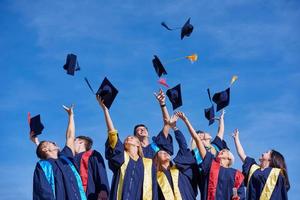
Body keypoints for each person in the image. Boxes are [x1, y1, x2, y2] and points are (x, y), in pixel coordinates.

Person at [97, 96, 158, 200]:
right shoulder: (121, 157)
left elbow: (153, 190)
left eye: (131, 138)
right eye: (126, 139)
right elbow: (112, 134)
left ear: (138, 144)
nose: (128, 139)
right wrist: (105, 110)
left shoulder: (148, 164)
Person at [179, 111, 245, 200]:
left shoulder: (236, 174)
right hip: (205, 179)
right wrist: (186, 121)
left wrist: (221, 120)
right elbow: (197, 140)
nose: (222, 151)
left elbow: (220, 133)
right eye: (201, 135)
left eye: (225, 151)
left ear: (229, 158)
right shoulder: (206, 159)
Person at [31, 105, 87, 200]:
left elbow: (70, 137)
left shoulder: (65, 158)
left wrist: (71, 116)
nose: (55, 142)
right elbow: (42, 192)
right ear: (45, 149)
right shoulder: (43, 166)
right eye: (51, 143)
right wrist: (37, 142)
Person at [232, 129, 290, 200]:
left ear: (271, 159)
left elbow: (281, 195)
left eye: (267, 152)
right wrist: (236, 139)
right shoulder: (253, 168)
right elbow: (242, 155)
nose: (263, 153)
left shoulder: (277, 174)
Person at [155, 112, 198, 200]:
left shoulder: (180, 169)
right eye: (162, 152)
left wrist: (174, 128)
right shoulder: (155, 177)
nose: (166, 153)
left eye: (166, 152)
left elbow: (183, 146)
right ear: (156, 159)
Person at [133, 89, 172, 159]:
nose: (142, 130)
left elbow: (167, 124)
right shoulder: (135, 151)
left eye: (144, 129)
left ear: (148, 134)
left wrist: (162, 104)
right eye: (139, 130)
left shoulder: (155, 146)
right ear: (135, 137)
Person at [73, 135, 110, 199]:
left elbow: (101, 173)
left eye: (73, 141)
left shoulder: (92, 155)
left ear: (80, 142)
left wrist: (103, 190)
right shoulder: (68, 160)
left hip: (90, 195)